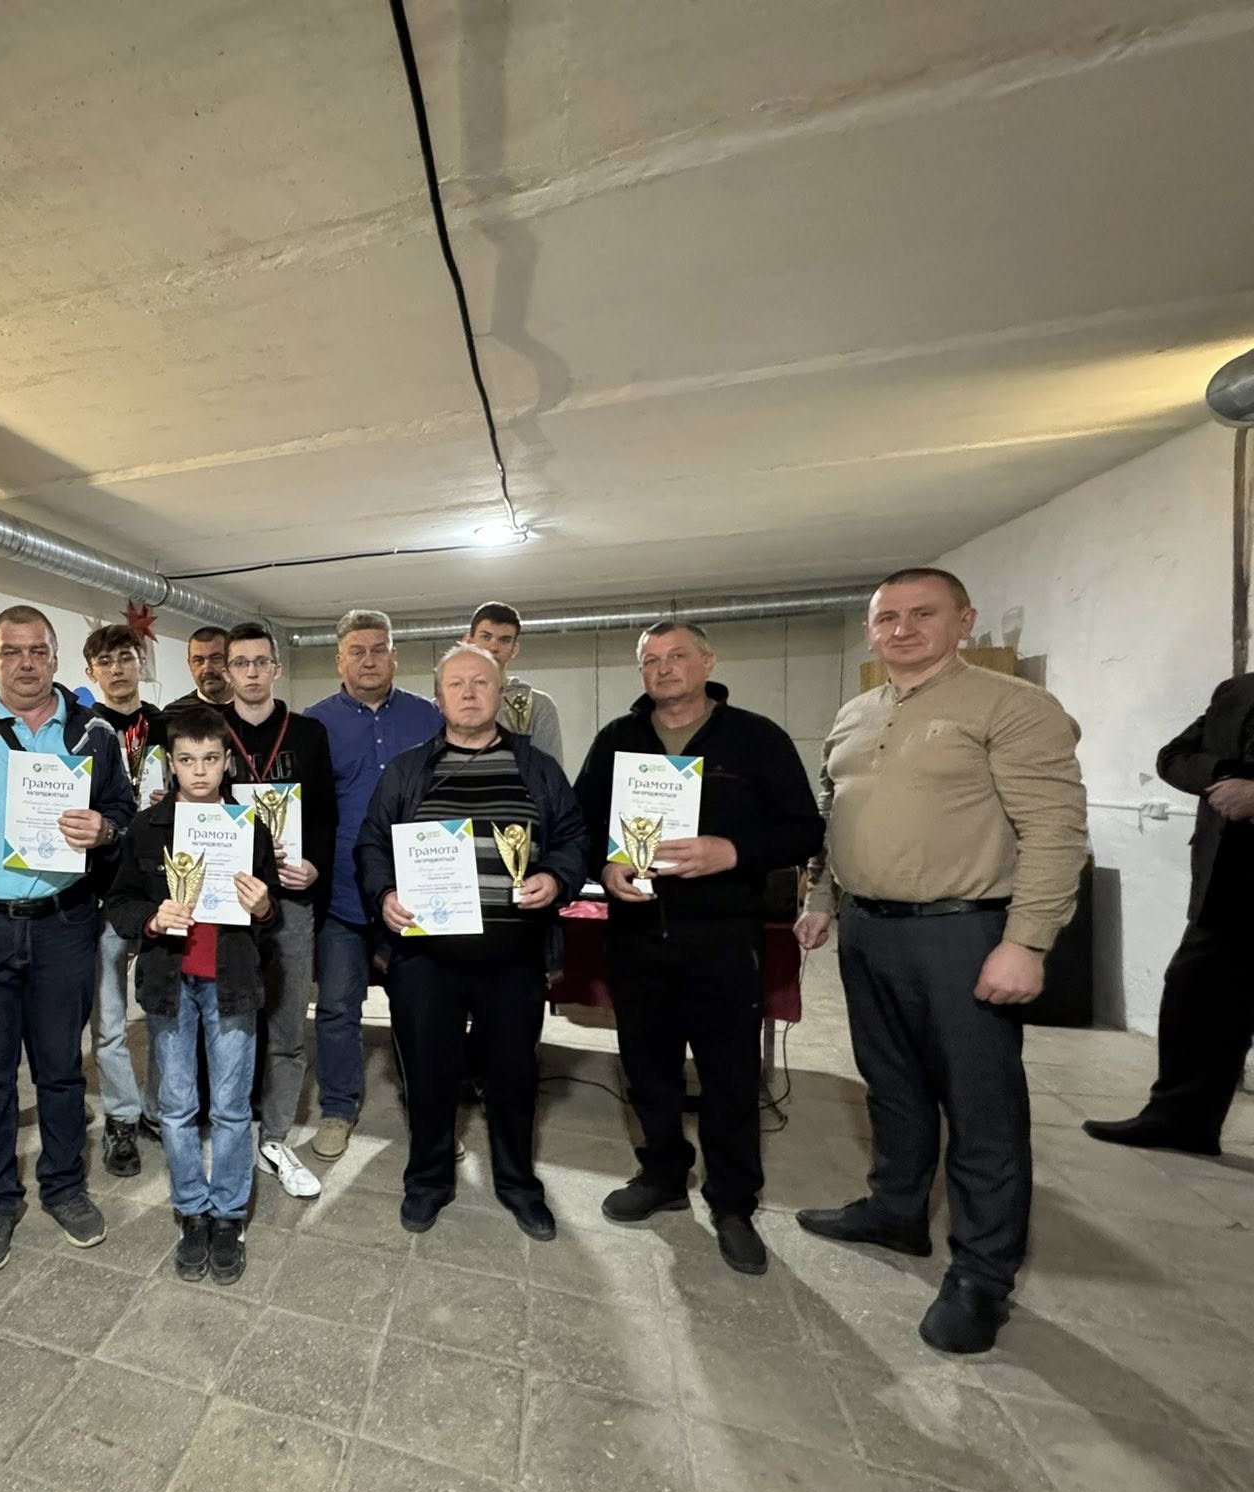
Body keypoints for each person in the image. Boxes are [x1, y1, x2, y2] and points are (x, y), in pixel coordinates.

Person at [794, 568, 1086, 1355]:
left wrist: (1026, 942)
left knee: (982, 1108)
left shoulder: (1013, 707)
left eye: (922, 613)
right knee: (891, 1086)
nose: (902, 629)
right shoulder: (855, 714)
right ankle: (895, 1211)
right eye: (887, 617)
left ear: (964, 620)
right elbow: (833, 816)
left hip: (965, 930)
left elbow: (1055, 830)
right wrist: (820, 900)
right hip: (868, 927)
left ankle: (982, 1277)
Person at [571, 621, 824, 1275]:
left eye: (677, 655)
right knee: (647, 1070)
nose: (663, 668)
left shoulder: (756, 738)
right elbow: (581, 823)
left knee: (730, 1077)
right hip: (636, 937)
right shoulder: (617, 739)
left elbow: (803, 828)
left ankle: (733, 1202)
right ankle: (661, 1174)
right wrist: (604, 868)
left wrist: (732, 852)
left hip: (722, 937)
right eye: (651, 659)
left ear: (707, 662)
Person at [0, 605, 133, 1272]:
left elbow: (123, 814)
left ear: (55, 657)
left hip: (64, 925)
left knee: (62, 1071)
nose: (26, 662)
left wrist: (105, 830)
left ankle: (65, 1188)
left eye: (38, 649)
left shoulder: (94, 733)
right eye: (11, 651)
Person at [356, 643, 585, 1238]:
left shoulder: (537, 768)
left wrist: (556, 877)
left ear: (500, 693)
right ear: (438, 698)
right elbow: (371, 844)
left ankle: (518, 1184)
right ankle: (428, 1181)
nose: (468, 692)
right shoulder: (408, 770)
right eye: (455, 683)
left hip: (513, 956)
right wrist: (384, 894)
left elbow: (573, 837)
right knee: (427, 1074)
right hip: (425, 956)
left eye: (481, 682)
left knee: (514, 1076)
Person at [104, 704, 281, 1283]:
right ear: (171, 764)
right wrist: (153, 919)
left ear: (227, 762)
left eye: (210, 759)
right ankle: (191, 1210)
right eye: (187, 760)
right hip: (170, 983)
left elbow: (271, 912)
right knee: (177, 1106)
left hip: (231, 983)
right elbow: (120, 903)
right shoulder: (146, 828)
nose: (199, 771)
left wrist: (263, 906)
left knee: (230, 1106)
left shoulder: (249, 827)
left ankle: (228, 1213)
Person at [1082, 675, 1254, 1156]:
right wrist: (1224, 775)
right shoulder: (1239, 691)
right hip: (1228, 883)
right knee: (1195, 999)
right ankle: (1180, 1122)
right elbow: (1173, 757)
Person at [303, 609, 442, 1159]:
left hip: (414, 894)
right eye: (356, 651)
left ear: (394, 657)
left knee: (422, 1009)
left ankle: (427, 1108)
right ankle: (338, 1108)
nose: (368, 660)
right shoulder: (314, 724)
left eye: (378, 649)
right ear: (339, 660)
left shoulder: (428, 717)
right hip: (341, 893)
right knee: (337, 1007)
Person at [219, 621, 338, 1199]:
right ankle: (231, 1125)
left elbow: (327, 815)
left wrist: (315, 866)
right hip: (228, 901)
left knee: (288, 1023)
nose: (251, 672)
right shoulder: (210, 730)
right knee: (228, 1021)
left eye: (260, 662)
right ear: (227, 672)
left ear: (276, 668)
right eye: (240, 663)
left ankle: (274, 1135)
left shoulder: (309, 734)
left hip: (290, 899)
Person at [81, 622, 165, 1174]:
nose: (117, 669)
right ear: (91, 672)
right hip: (104, 889)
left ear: (141, 663)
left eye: (126, 657)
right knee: (109, 1021)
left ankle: (159, 1107)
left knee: (162, 1013)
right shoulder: (80, 731)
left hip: (162, 891)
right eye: (105, 661)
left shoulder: (167, 725)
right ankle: (121, 1117)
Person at [466, 601, 564, 765]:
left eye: (504, 640)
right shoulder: (443, 705)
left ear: (514, 649)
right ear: (469, 643)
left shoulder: (538, 705)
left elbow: (550, 774)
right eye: (486, 637)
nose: (493, 647)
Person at [168, 625, 233, 708]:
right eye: (198, 660)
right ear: (190, 665)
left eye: (216, 658)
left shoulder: (249, 706)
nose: (207, 669)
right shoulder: (173, 713)